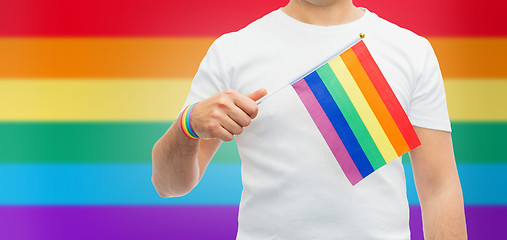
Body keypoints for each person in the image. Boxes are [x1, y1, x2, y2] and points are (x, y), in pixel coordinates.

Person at [152, 0, 467, 239]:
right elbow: (170, 186)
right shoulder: (232, 51)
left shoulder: (410, 50)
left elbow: (440, 188)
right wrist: (187, 126)